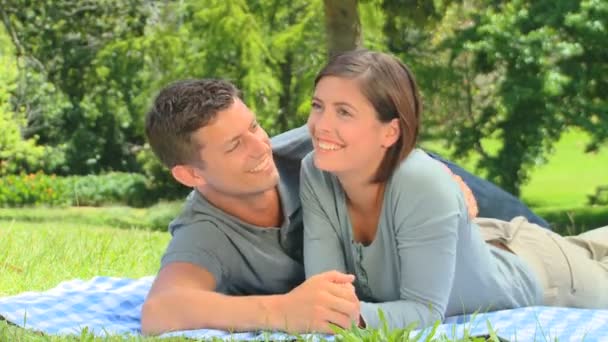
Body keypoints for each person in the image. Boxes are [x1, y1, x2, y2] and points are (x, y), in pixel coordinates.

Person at [140, 78, 550, 335]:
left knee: (542, 241)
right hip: (432, 264)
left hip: (456, 230)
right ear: (191, 175)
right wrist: (284, 311)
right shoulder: (204, 232)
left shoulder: (306, 145)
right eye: (234, 145)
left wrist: (439, 179)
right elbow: (161, 310)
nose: (259, 147)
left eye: (254, 127)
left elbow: (384, 138)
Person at [300, 49, 608, 331]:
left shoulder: (421, 182)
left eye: (344, 112)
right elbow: (326, 291)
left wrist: (344, 315)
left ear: (390, 131)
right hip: (495, 241)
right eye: (318, 106)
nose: (321, 125)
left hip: (549, 277)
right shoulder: (316, 173)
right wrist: (329, 308)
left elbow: (424, 311)